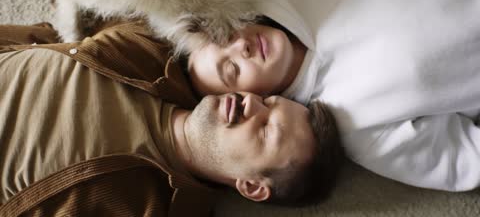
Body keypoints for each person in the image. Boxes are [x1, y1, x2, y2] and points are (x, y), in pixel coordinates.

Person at [187, 0, 480, 192]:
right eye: (232, 69)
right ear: (251, 97)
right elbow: (462, 159)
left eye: (226, 35)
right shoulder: (353, 125)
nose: (242, 46)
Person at [0, 22, 343, 216]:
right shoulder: (151, 51)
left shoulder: (157, 209)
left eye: (267, 131)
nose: (251, 104)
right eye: (268, 101)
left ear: (252, 186)